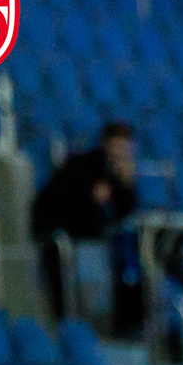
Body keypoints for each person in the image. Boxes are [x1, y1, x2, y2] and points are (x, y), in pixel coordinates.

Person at [31, 122, 138, 327]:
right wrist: (91, 196)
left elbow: (123, 211)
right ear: (107, 143)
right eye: (117, 146)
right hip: (72, 234)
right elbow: (58, 201)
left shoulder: (117, 172)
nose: (121, 153)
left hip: (97, 237)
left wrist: (126, 186)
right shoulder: (82, 165)